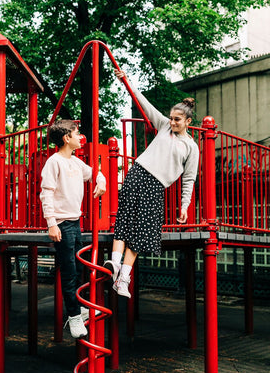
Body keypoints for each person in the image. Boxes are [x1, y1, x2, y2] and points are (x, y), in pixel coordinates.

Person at [104, 69, 199, 298]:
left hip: (156, 185)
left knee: (142, 230)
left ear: (188, 121)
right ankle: (115, 265)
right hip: (138, 173)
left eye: (177, 120)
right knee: (124, 220)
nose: (173, 122)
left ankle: (123, 279)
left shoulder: (191, 147)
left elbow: (188, 179)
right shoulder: (165, 125)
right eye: (171, 118)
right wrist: (126, 81)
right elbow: (144, 104)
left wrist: (184, 206)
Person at [40, 120, 106, 338]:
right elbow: (46, 193)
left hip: (75, 222)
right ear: (66, 138)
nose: (81, 137)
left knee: (79, 268)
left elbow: (94, 173)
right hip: (62, 223)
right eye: (77, 133)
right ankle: (74, 316)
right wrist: (51, 223)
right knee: (69, 271)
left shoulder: (76, 163)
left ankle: (79, 308)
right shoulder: (54, 162)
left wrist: (101, 179)